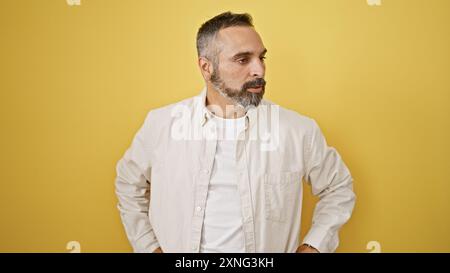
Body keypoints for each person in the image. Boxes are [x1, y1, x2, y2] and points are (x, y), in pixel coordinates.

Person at [115, 11, 356, 253]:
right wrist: (148, 248)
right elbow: (128, 184)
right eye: (243, 60)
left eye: (261, 57)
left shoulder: (298, 130)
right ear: (207, 67)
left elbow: (338, 187)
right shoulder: (161, 124)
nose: (259, 70)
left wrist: (315, 246)